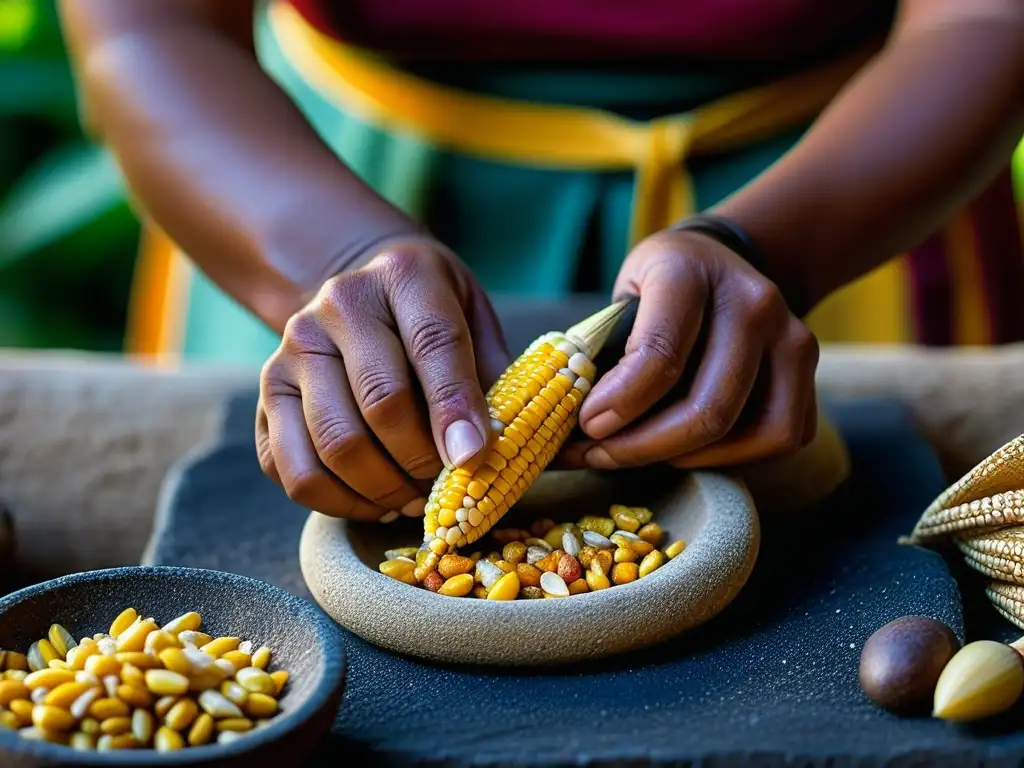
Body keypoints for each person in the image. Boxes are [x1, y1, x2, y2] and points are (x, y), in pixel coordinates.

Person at [60, 0, 1023, 522]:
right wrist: (339, 251)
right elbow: (148, 22)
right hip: (302, 186)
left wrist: (763, 244)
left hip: (838, 174)